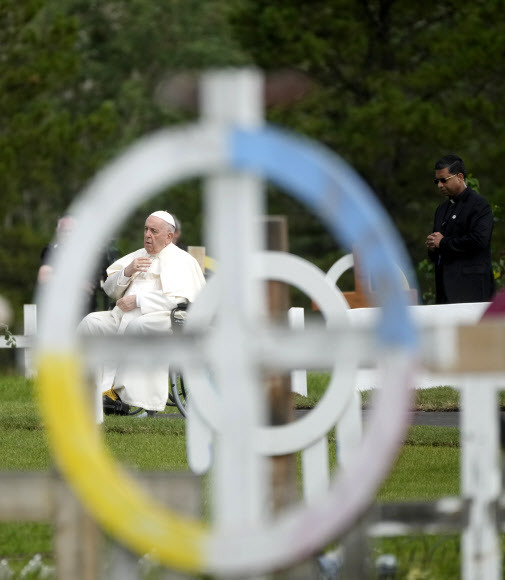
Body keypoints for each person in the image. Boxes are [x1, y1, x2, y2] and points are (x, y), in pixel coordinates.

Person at [77, 210, 205, 417]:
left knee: (137, 326)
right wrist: (127, 272)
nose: (147, 234)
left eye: (154, 231)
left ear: (169, 236)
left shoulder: (182, 260)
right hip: (121, 316)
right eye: (146, 229)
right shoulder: (137, 256)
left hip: (165, 320)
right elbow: (110, 291)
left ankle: (128, 399)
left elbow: (180, 300)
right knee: (91, 322)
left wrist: (138, 301)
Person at [426, 154, 495, 304]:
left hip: (471, 290)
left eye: (444, 180)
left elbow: (479, 240)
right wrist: (432, 247)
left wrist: (443, 243)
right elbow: (438, 247)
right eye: (436, 181)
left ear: (460, 176)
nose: (439, 185)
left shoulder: (479, 205)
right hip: (444, 291)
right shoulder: (441, 209)